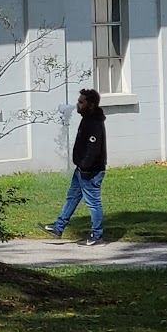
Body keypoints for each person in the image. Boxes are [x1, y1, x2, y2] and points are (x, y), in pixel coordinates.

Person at [45, 87, 107, 245]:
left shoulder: (94, 123)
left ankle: (97, 235)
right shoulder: (87, 119)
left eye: (81, 102)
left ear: (91, 105)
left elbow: (93, 149)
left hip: (90, 171)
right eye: (78, 101)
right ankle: (58, 227)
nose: (77, 104)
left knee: (93, 202)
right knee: (72, 197)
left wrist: (85, 166)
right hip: (82, 169)